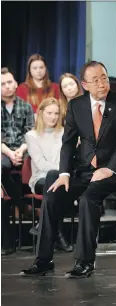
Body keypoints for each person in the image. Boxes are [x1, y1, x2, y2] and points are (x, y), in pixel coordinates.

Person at [20, 61, 116, 279]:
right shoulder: (76, 105)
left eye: (104, 78)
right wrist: (64, 174)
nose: (102, 84)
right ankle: (43, 260)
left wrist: (109, 169)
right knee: (52, 189)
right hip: (83, 171)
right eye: (96, 80)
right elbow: (68, 143)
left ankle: (84, 262)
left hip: (112, 174)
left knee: (88, 198)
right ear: (85, 84)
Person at [25, 98, 73, 252]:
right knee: (53, 185)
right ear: (40, 113)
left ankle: (43, 225)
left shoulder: (65, 133)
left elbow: (67, 158)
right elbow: (40, 164)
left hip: (62, 178)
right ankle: (58, 234)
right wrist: (61, 171)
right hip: (40, 178)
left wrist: (62, 172)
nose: (53, 117)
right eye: (49, 113)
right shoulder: (31, 135)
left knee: (57, 188)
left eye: (56, 113)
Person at [1, 67, 34, 255]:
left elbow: (30, 133)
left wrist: (20, 151)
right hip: (3, 152)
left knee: (31, 163)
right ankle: (22, 205)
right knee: (2, 165)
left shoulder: (26, 106)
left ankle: (21, 204)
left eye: (9, 82)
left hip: (24, 151)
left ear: (16, 83)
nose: (7, 86)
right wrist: (9, 153)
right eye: (2, 84)